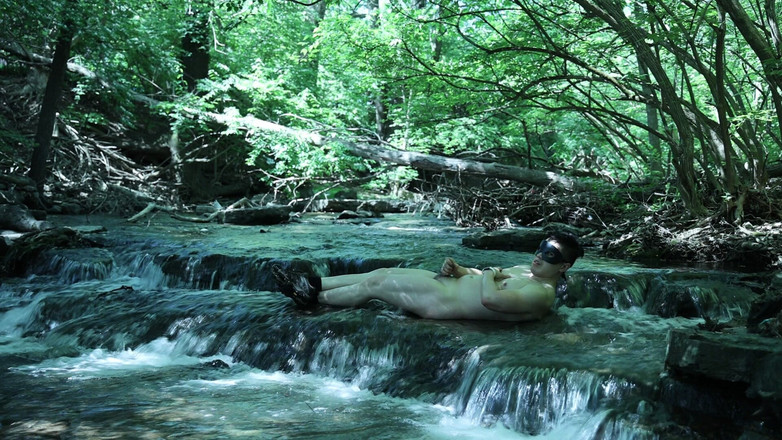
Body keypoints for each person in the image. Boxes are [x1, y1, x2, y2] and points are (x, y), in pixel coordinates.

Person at [272, 232, 583, 322]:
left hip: (442, 302)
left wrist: (487, 273)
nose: (540, 256)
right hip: (446, 285)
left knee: (376, 286)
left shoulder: (541, 294)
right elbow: (478, 276)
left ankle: (313, 297)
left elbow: (491, 298)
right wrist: (459, 269)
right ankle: (313, 283)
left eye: (550, 255)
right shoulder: (524, 271)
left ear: (564, 267)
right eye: (541, 249)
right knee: (381, 272)